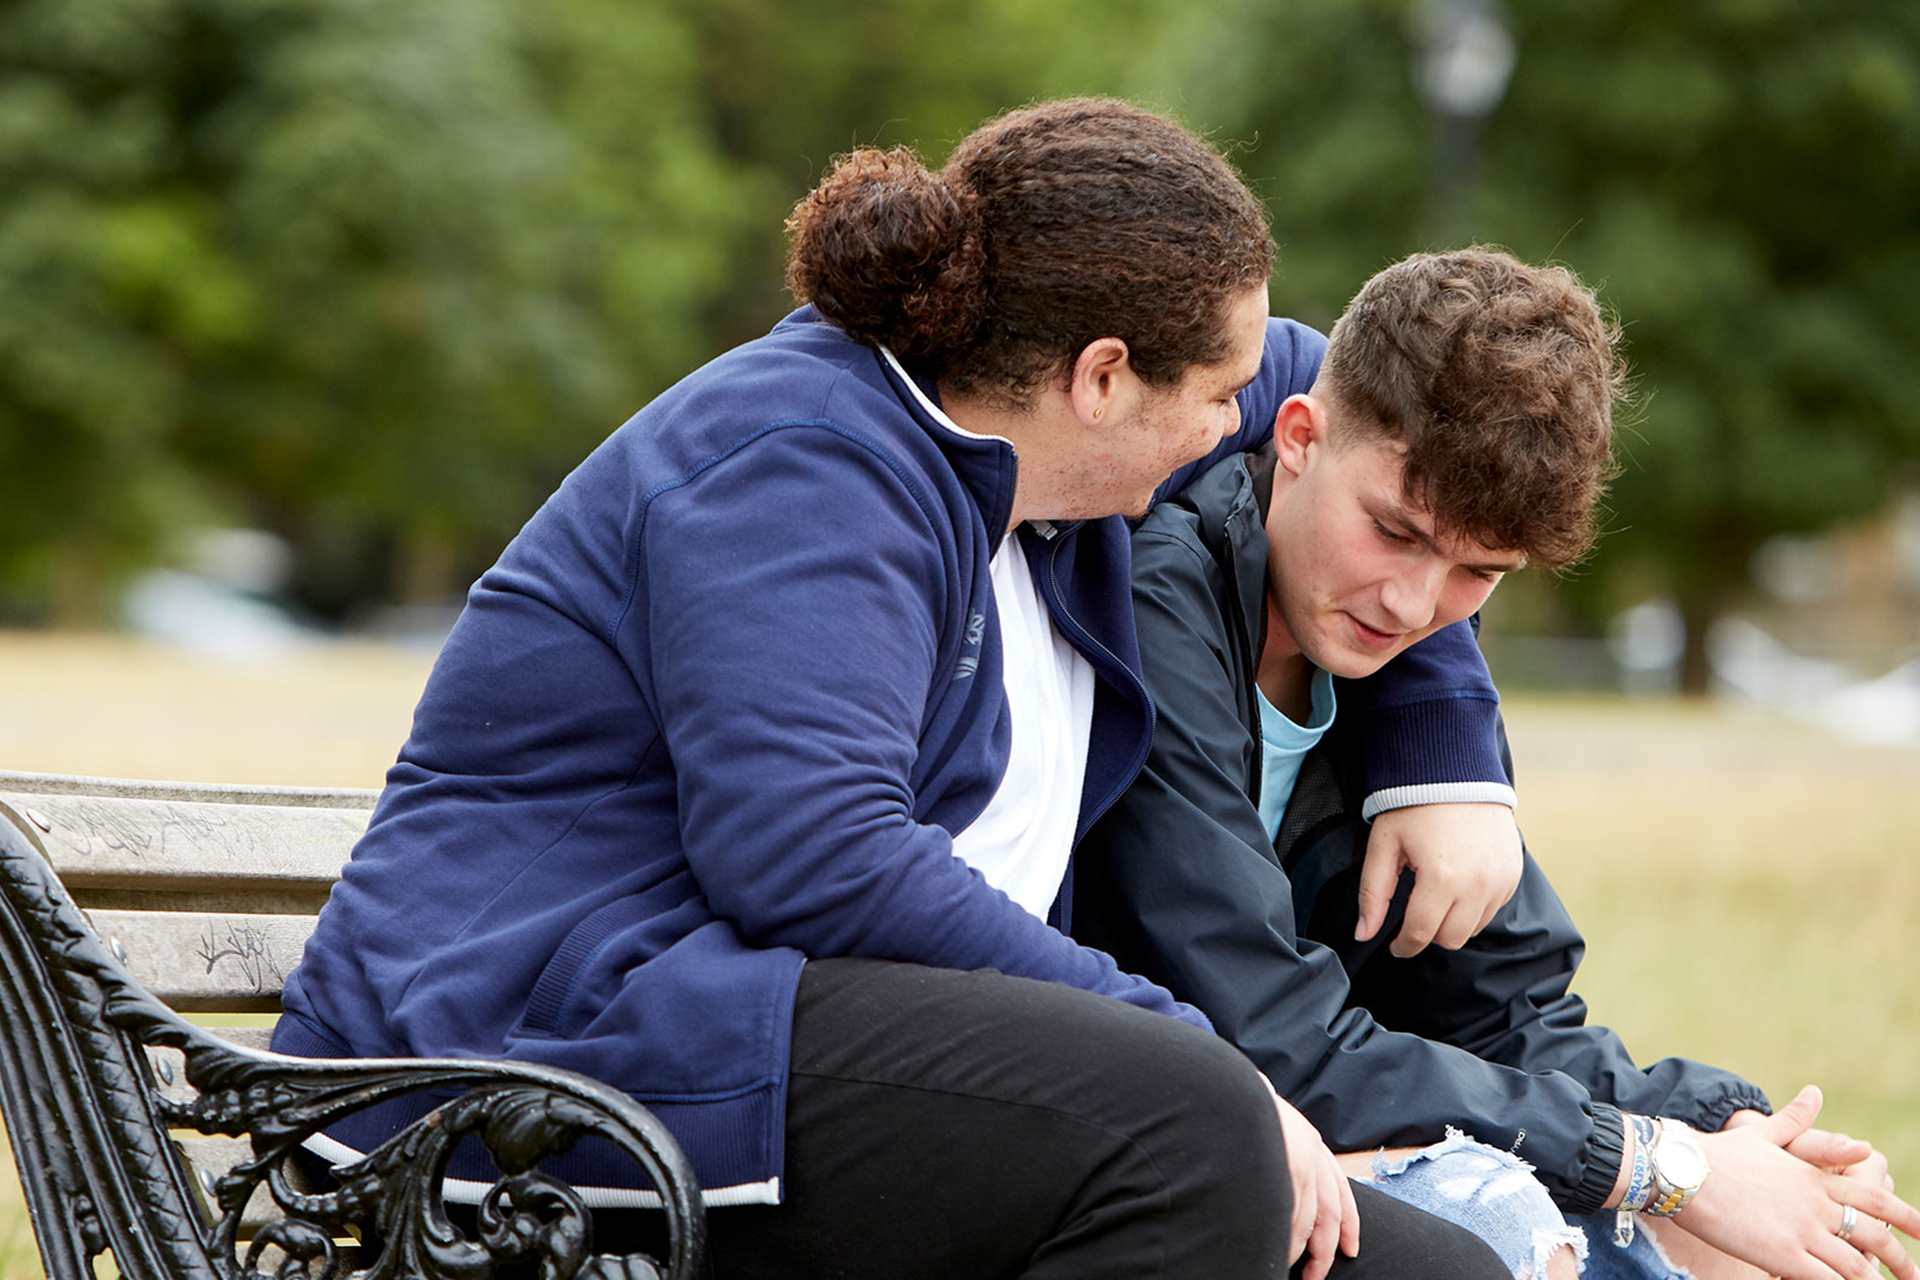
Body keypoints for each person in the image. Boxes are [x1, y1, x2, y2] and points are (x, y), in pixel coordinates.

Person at [272, 99, 1519, 1278]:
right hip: (540, 1058)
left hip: (765, 1047)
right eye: (1210, 399)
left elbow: (1365, 429)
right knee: (1191, 1126)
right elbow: (811, 851)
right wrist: (1185, 1044)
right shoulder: (806, 463)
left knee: (1429, 1264)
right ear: (1100, 379)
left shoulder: (1049, 458)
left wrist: (1440, 736)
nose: (1234, 423)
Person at [1074, 247, 1920, 1280]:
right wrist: (1660, 1160)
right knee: (1533, 1227)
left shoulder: (1398, 660)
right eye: (1393, 530)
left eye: (1479, 571)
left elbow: (1508, 1011)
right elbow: (1280, 1038)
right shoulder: (1161, 596)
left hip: (1332, 1123)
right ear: (1299, 436)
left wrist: (1731, 1130)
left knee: (1748, 1244)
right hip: (1156, 1139)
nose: (1411, 603)